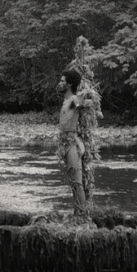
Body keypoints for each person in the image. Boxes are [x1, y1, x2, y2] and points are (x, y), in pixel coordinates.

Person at [57, 70, 90, 213]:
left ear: (69, 84)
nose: (59, 83)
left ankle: (82, 215)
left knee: (77, 183)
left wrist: (86, 100)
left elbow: (84, 103)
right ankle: (77, 213)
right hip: (65, 143)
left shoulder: (73, 100)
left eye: (62, 81)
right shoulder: (66, 100)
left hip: (73, 144)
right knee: (73, 183)